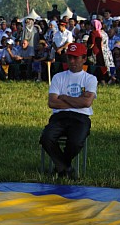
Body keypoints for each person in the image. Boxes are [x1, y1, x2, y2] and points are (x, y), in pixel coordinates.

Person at [39, 42, 97, 179]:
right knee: (46, 138)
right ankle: (66, 168)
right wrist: (78, 101)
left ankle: (61, 166)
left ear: (84, 59)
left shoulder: (90, 79)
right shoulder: (58, 77)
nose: (72, 61)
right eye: (69, 57)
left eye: (75, 58)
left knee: (76, 142)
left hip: (81, 118)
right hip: (60, 117)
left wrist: (64, 97)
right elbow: (52, 102)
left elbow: (87, 103)